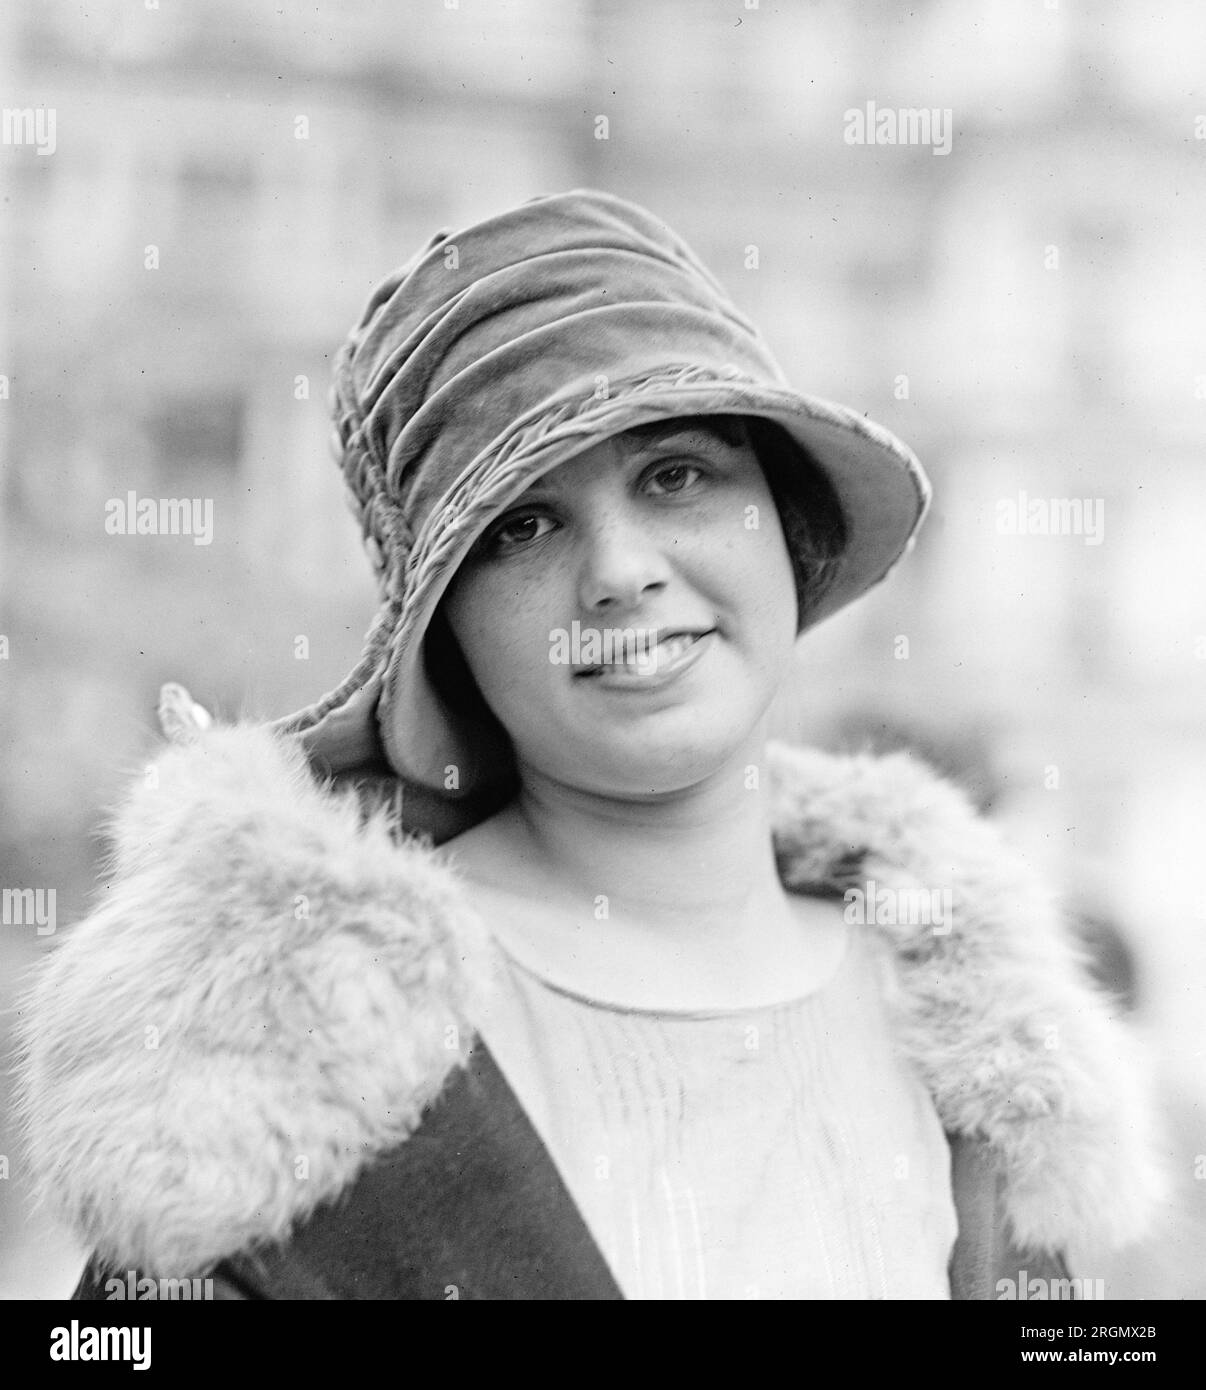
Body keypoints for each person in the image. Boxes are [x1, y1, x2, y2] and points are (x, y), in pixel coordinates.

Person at [18, 189, 1164, 1300]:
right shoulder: (278, 1063)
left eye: (678, 475)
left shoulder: (976, 1048)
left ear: (785, 521)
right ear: (447, 630)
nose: (621, 572)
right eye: (521, 526)